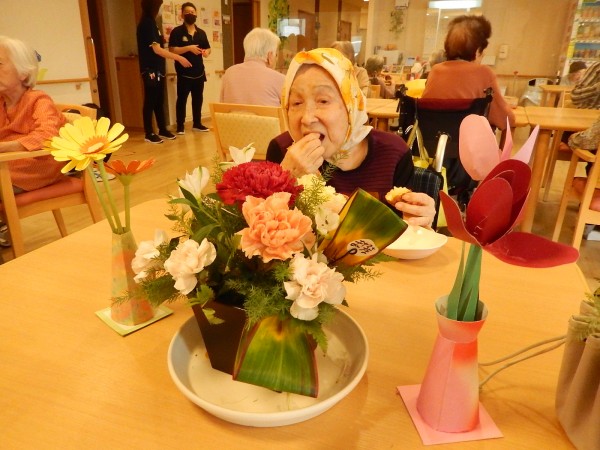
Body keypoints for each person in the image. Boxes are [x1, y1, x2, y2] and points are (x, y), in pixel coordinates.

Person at [265, 48, 436, 228]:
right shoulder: (282, 150)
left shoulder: (393, 153)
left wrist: (419, 220)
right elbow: (263, 230)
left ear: (351, 105)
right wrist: (283, 179)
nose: (307, 118)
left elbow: (405, 228)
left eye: (323, 101)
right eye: (296, 103)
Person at [0, 36, 67, 246]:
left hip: (36, 168)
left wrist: (5, 147)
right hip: (8, 166)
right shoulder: (1, 102)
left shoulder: (38, 99)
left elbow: (48, 135)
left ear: (23, 72)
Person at [421, 15, 515, 131]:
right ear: (477, 50)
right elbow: (505, 120)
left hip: (432, 139)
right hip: (468, 141)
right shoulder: (484, 73)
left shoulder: (435, 71)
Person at [136, 0, 191, 144]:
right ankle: (149, 132)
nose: (161, 9)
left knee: (159, 100)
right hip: (150, 69)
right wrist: (178, 57)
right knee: (150, 100)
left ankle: (162, 129)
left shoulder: (153, 23)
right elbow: (157, 49)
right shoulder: (147, 23)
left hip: (158, 69)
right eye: (160, 5)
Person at [169, 2, 211, 134]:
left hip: (199, 71)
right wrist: (188, 48)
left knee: (198, 98)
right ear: (182, 15)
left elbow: (208, 48)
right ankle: (180, 125)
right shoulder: (177, 32)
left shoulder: (201, 33)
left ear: (196, 14)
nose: (190, 14)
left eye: (192, 12)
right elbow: (172, 50)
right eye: (187, 12)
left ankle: (197, 123)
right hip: (184, 73)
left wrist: (206, 52)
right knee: (182, 99)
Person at [219, 28, 284, 107]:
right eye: (276, 55)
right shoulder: (279, 79)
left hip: (234, 116)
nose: (276, 59)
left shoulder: (229, 74)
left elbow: (221, 108)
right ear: (269, 56)